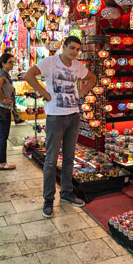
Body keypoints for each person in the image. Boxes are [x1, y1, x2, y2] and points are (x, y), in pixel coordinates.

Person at [24, 36, 97, 218]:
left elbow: (92, 78)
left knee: (69, 157)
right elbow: (29, 75)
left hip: (73, 115)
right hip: (55, 116)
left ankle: (66, 193)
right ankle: (48, 199)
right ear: (63, 47)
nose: (74, 52)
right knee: (50, 160)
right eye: (71, 48)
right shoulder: (50, 62)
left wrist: (82, 92)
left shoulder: (77, 66)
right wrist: (44, 93)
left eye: (77, 49)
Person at [0, 53, 16, 170]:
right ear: (3, 63)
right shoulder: (2, 74)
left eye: (13, 62)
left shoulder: (3, 74)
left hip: (0, 108)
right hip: (3, 109)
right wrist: (3, 100)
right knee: (3, 135)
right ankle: (2, 162)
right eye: (9, 62)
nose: (12, 64)